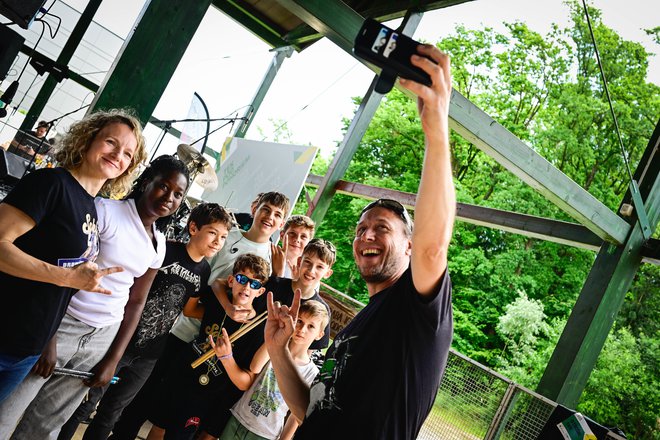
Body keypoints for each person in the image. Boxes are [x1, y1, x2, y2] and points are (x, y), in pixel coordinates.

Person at [264, 44, 455, 439]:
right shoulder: (359, 323)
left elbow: (433, 247)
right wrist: (278, 350)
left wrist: (436, 131)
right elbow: (308, 410)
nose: (367, 234)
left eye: (383, 228)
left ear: (408, 245)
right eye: (361, 229)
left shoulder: (415, 310)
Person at [0, 155, 190, 439]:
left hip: (102, 335)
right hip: (63, 320)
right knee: (9, 410)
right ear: (146, 181)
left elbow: (136, 301)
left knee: (47, 424)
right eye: (164, 186)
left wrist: (113, 357)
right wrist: (48, 338)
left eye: (178, 194)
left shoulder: (158, 243)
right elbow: (61, 267)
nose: (169, 197)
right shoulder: (104, 210)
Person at [108, 192, 289, 440]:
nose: (270, 217)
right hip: (185, 328)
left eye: (278, 215)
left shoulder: (275, 257)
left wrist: (278, 276)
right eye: (266, 209)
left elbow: (267, 303)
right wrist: (224, 305)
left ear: (282, 223)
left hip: (216, 348)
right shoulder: (227, 238)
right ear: (255, 208)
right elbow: (210, 279)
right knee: (143, 397)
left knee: (181, 417)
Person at [0, 109, 146, 402]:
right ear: (87, 140)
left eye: (128, 154)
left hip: (27, 349)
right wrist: (68, 277)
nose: (118, 155)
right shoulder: (51, 184)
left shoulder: (91, 206)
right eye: (111, 143)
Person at [57, 203, 234, 440]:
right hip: (121, 339)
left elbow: (191, 309)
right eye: (213, 232)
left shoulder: (203, 272)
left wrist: (226, 312)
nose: (217, 241)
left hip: (150, 355)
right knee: (85, 404)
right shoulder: (165, 250)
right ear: (193, 228)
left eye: (223, 237)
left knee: (111, 413)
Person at [146, 254, 271, 440]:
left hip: (206, 392)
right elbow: (194, 304)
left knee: (179, 436)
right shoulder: (218, 301)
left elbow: (246, 382)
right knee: (158, 425)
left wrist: (227, 357)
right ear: (231, 280)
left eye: (254, 284)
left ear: (259, 292)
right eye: (242, 279)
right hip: (181, 372)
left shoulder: (258, 329)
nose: (246, 287)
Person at [216, 300, 328, 440]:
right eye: (299, 321)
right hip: (239, 417)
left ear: (319, 334)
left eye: (311, 326)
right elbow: (255, 367)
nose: (302, 329)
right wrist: (277, 336)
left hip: (265, 434)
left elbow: (295, 416)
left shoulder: (312, 372)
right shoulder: (275, 347)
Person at [274, 215, 315, 279]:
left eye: (303, 236)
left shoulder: (308, 274)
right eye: (292, 233)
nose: (297, 239)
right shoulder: (267, 256)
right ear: (282, 235)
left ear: (309, 243)